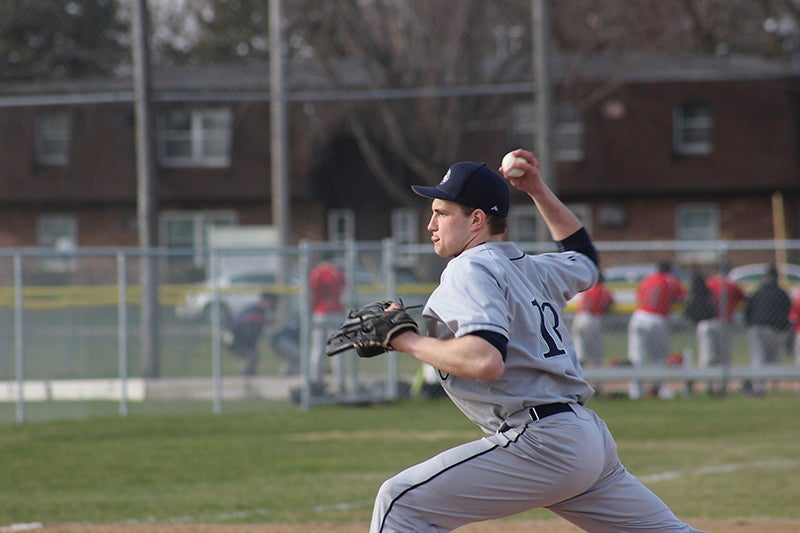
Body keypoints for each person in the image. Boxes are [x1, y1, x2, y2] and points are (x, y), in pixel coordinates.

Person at [370, 150, 703, 532]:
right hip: (585, 437)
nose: (430, 224)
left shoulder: (469, 267)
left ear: (476, 219)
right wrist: (537, 189)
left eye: (442, 213)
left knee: (400, 504)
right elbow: (584, 256)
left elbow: (485, 361)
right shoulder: (533, 266)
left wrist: (404, 340)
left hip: (541, 443)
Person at [627, 260, 686, 399]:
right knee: (659, 357)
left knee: (637, 357)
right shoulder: (669, 279)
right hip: (657, 319)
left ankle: (635, 392)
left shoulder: (647, 279)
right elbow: (681, 297)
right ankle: (658, 389)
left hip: (638, 317)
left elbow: (639, 296)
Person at [695, 265, 746, 387]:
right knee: (723, 355)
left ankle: (708, 384)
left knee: (706, 355)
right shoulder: (731, 285)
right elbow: (742, 298)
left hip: (705, 322)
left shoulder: (708, 283)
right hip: (723, 323)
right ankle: (724, 385)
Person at [743, 264, 791, 395]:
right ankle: (761, 387)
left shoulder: (757, 291)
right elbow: (786, 313)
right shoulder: (781, 293)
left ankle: (756, 385)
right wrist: (784, 329)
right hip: (772, 329)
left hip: (754, 328)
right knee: (771, 359)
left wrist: (748, 324)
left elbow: (747, 310)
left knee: (757, 357)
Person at [309, 254, 347, 394]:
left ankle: (316, 381)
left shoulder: (316, 272)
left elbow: (312, 294)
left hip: (320, 312)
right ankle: (339, 383)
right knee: (337, 349)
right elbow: (343, 293)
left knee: (318, 349)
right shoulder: (337, 272)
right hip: (335, 312)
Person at [224, 292, 277, 376]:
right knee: (252, 355)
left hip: (234, 337)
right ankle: (244, 380)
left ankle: (248, 378)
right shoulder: (255, 312)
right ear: (265, 301)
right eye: (272, 302)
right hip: (234, 338)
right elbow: (247, 332)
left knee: (253, 355)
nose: (274, 304)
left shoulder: (256, 309)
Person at [572, 271, 614, 367]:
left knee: (579, 350)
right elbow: (609, 304)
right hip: (592, 319)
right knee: (595, 352)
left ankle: (579, 374)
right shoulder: (602, 290)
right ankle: (597, 379)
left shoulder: (585, 289)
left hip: (579, 318)